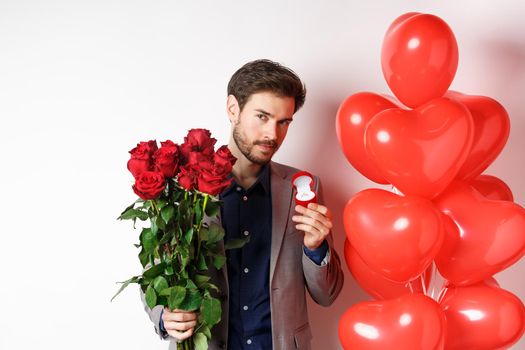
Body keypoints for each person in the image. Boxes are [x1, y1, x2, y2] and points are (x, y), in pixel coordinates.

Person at [143, 59, 344, 350]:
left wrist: (316, 248)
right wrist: (163, 316)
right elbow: (156, 273)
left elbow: (327, 295)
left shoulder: (304, 187)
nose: (273, 135)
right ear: (233, 109)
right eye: (262, 117)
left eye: (283, 122)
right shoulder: (184, 189)